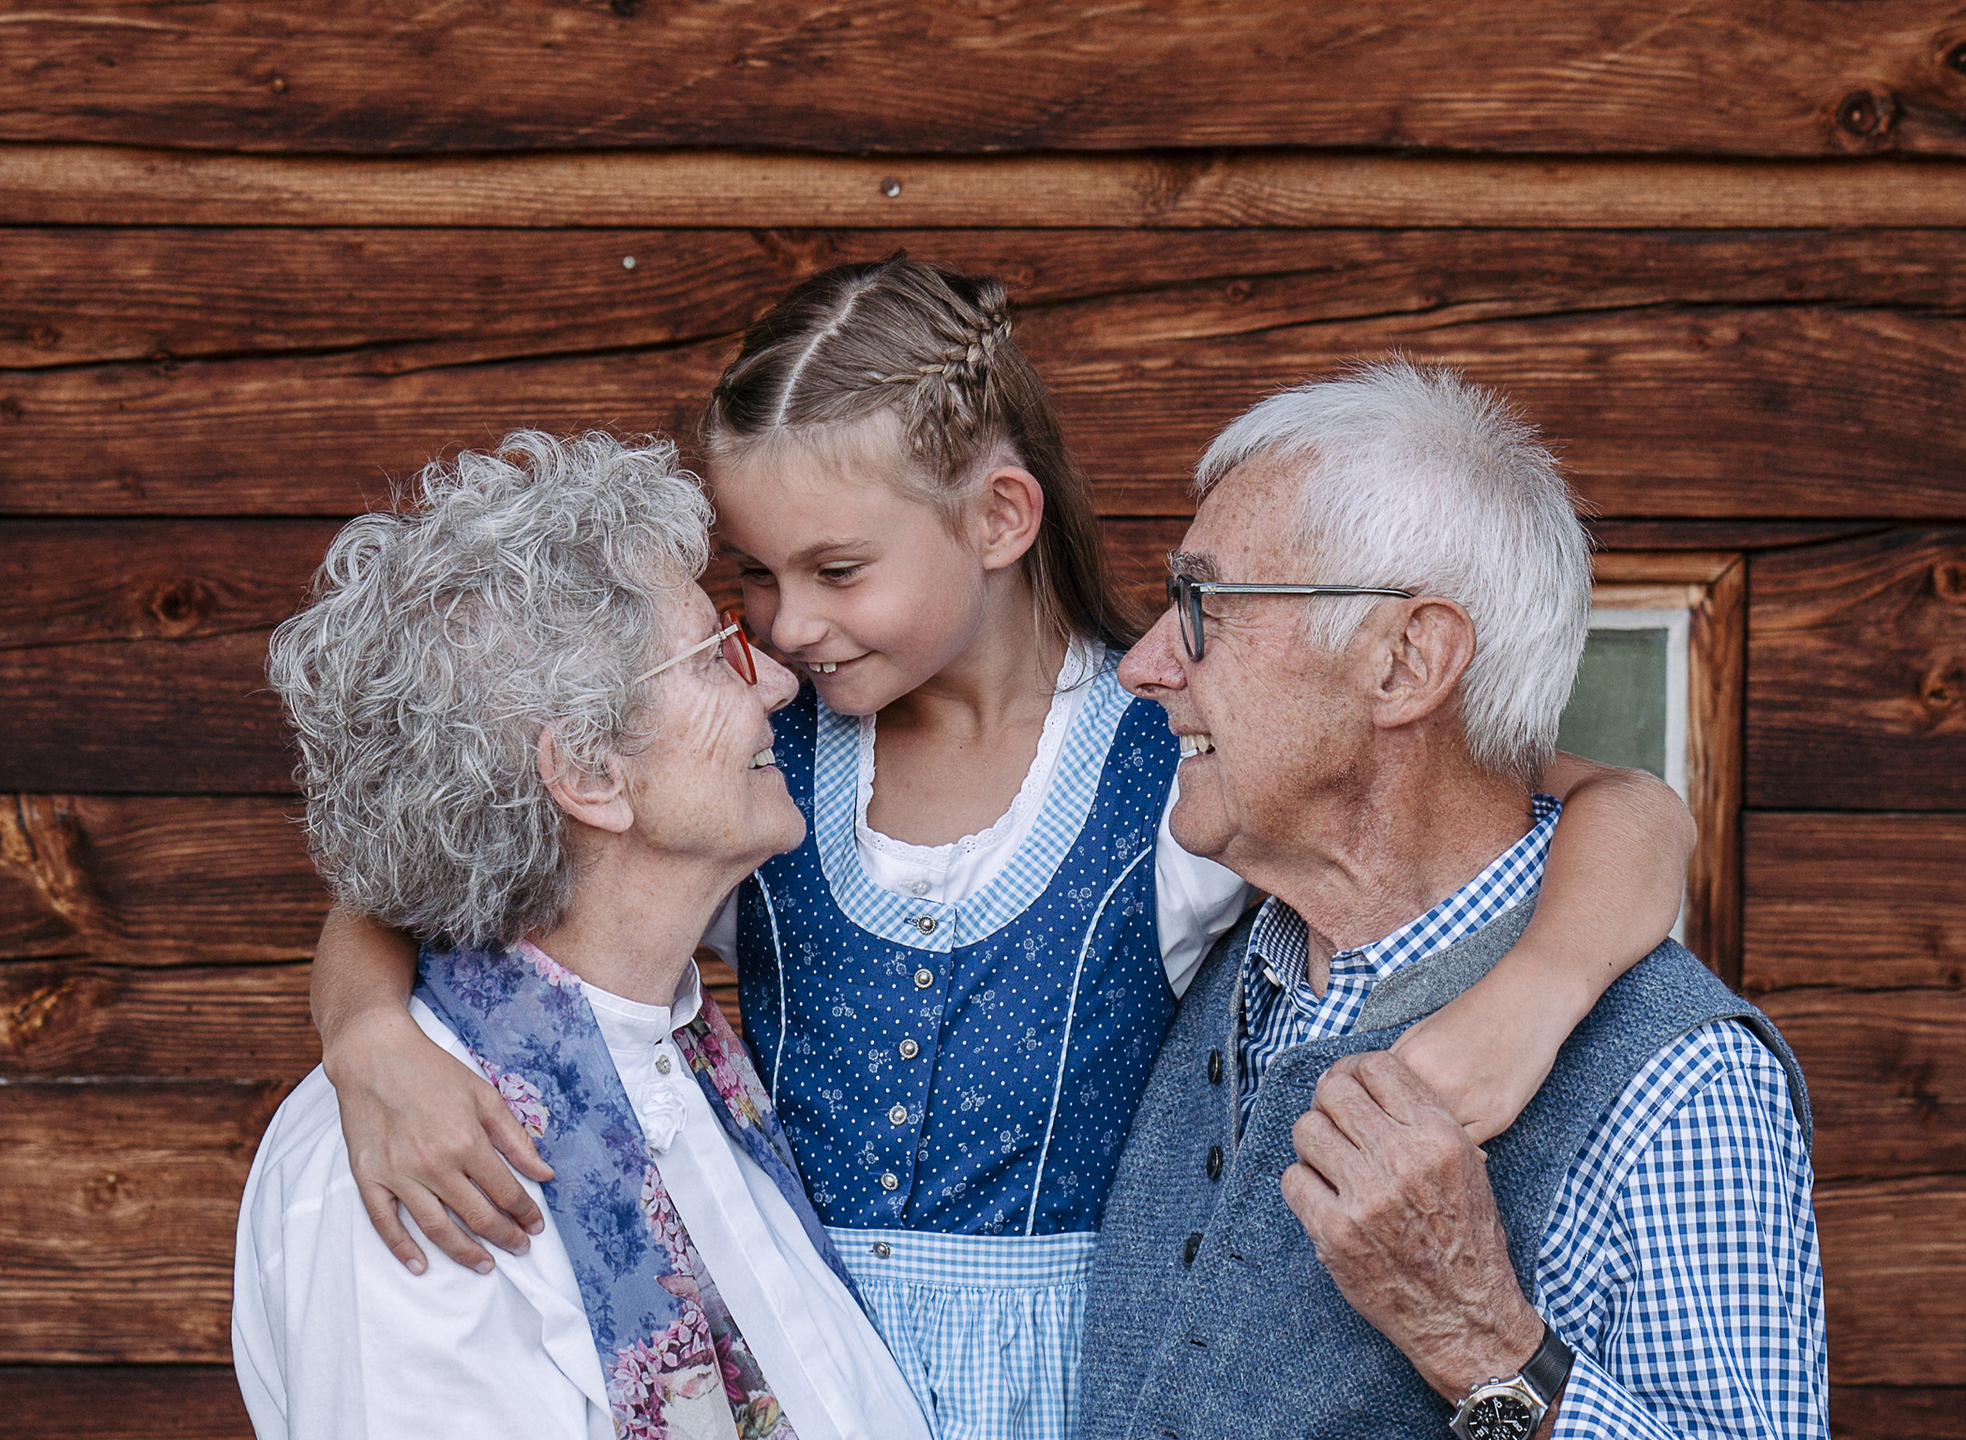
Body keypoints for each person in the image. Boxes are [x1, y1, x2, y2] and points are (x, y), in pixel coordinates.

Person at [300, 261, 1700, 1439]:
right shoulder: (756, 769)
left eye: (836, 571)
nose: (784, 632)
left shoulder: (1177, 758)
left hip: (1060, 1387)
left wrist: (1540, 994)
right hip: (796, 1347)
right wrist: (370, 1038)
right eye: (757, 581)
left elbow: (1617, 809)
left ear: (999, 521)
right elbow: (438, 883)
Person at [1081, 363, 1826, 1440]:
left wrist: (1475, 1344)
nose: (1145, 663)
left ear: (1406, 663)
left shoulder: (1677, 1083)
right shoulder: (1219, 944)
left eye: (1206, 604)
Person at [232, 431, 932, 1440]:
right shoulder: (416, 1171)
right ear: (591, 776)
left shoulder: (682, 1060)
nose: (778, 685)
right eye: (717, 656)